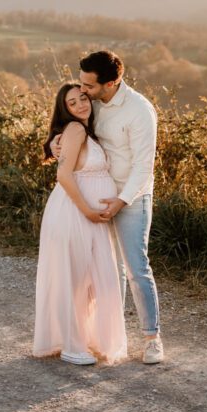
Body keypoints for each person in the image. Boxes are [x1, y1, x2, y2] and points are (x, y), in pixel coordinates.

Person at [53, 50, 164, 364]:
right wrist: (54, 143)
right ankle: (105, 336)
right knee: (103, 270)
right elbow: (74, 130)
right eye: (82, 83)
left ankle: (152, 338)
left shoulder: (140, 111)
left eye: (89, 85)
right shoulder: (92, 103)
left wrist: (122, 201)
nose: (83, 90)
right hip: (96, 194)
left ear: (112, 82)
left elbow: (144, 168)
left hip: (131, 197)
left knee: (135, 268)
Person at [33, 83, 127, 365]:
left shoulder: (88, 131)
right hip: (74, 212)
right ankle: (72, 345)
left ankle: (84, 338)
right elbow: (63, 175)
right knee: (75, 279)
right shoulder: (74, 130)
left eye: (83, 98)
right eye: (72, 104)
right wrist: (86, 210)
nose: (81, 105)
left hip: (90, 216)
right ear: (66, 111)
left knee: (92, 281)